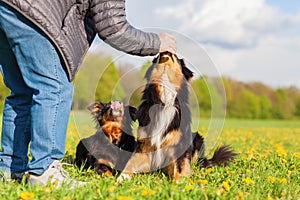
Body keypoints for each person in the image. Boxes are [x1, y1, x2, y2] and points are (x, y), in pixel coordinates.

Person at [0, 0, 176, 187]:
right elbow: (112, 26)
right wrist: (157, 43)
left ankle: (11, 169)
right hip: (35, 15)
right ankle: (45, 170)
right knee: (54, 88)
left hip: (7, 8)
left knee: (22, 93)